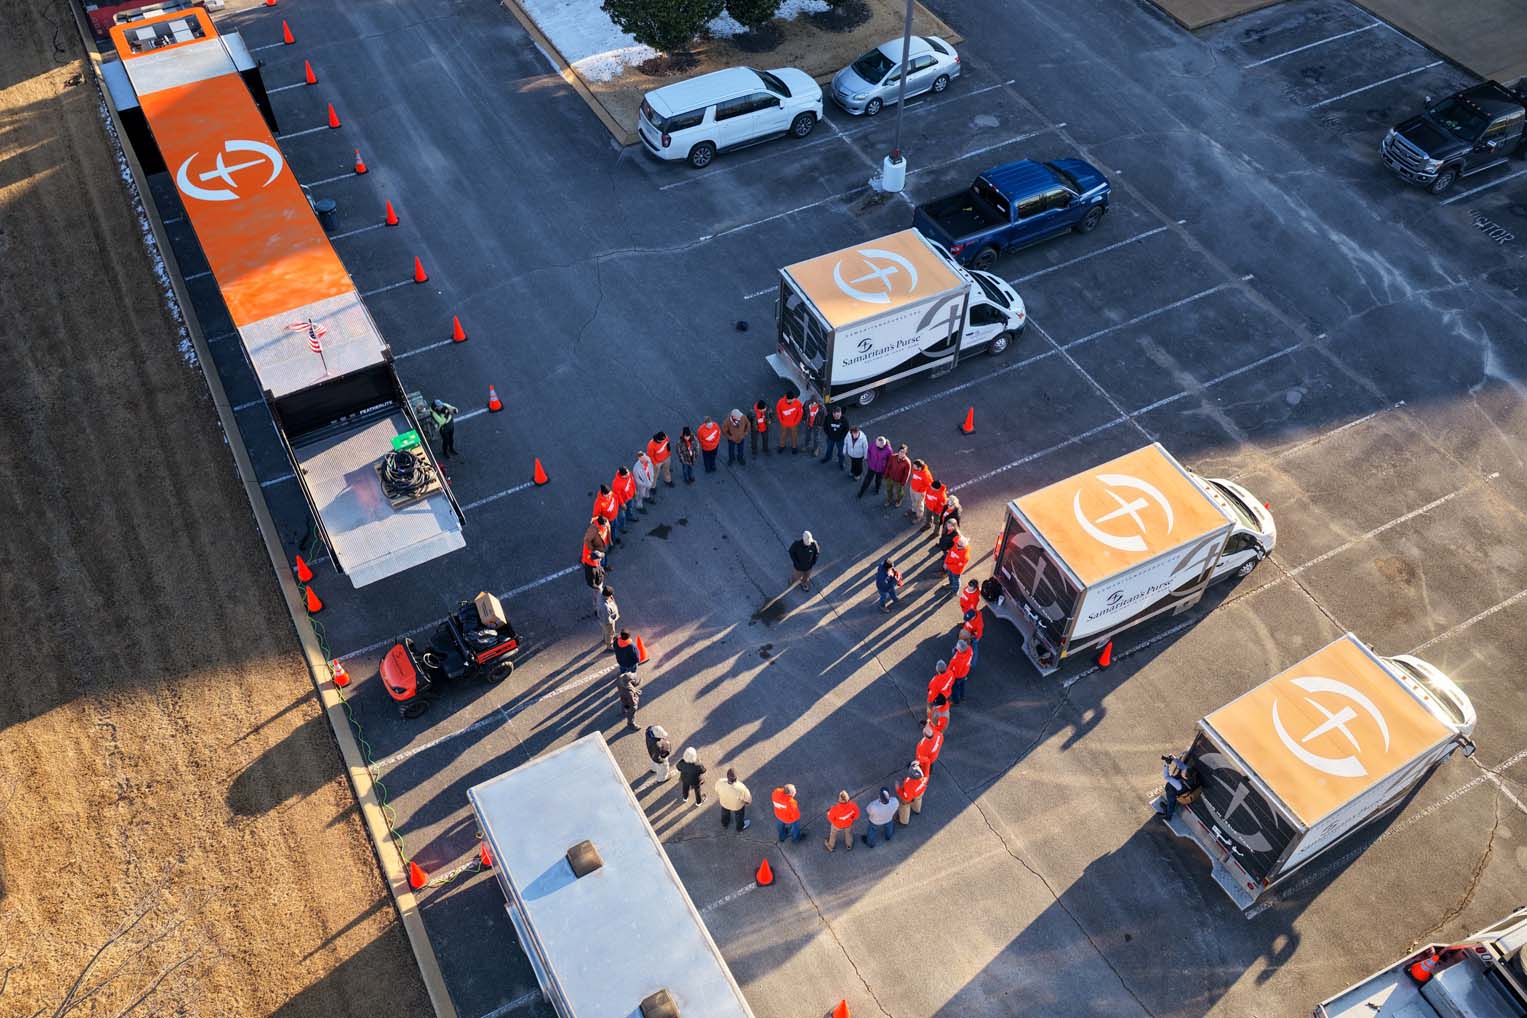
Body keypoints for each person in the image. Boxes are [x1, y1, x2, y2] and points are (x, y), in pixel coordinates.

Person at [1155, 752, 1199, 819]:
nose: (1182, 770)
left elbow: (1167, 777)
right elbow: (1181, 765)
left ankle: (1168, 816)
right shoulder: (1190, 771)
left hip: (1175, 791)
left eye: (1183, 772)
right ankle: (1167, 807)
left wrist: (1166, 765)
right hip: (1183, 787)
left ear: (1185, 777)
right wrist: (1174, 758)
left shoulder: (1179, 784)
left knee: (1171, 802)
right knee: (1170, 801)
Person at [884, 444, 912, 508]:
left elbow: (907, 474)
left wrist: (903, 483)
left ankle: (899, 500)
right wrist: (886, 474)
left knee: (899, 492)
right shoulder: (892, 457)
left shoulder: (907, 462)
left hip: (899, 480)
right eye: (901, 451)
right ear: (898, 451)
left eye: (903, 452)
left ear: (906, 453)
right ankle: (889, 499)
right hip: (890, 477)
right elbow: (888, 466)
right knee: (889, 489)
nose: (901, 453)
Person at [948, 638, 973, 704]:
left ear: (959, 650)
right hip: (965, 672)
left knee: (954, 688)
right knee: (962, 685)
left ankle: (955, 700)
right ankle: (962, 697)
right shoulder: (970, 650)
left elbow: (950, 668)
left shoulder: (956, 659)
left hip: (957, 676)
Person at [612, 466, 636, 532]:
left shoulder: (628, 474)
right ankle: (622, 527)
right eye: (626, 474)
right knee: (621, 515)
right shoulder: (616, 483)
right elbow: (618, 496)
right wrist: (622, 504)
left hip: (630, 496)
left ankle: (629, 516)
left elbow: (632, 482)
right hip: (623, 501)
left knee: (630, 507)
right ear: (622, 475)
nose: (628, 474)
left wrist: (634, 491)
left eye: (628, 472)